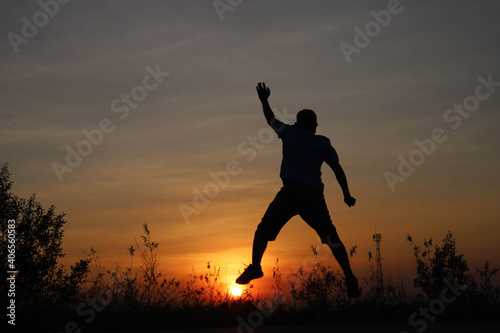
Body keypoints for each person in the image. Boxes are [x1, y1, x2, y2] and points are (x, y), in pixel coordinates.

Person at [235, 82, 360, 298]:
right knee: (331, 236)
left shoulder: (290, 133)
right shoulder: (323, 142)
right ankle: (349, 276)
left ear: (297, 123)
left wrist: (264, 100)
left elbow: (270, 120)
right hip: (312, 196)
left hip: (291, 193)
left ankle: (256, 265)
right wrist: (346, 194)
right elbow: (337, 169)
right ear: (315, 126)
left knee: (263, 230)